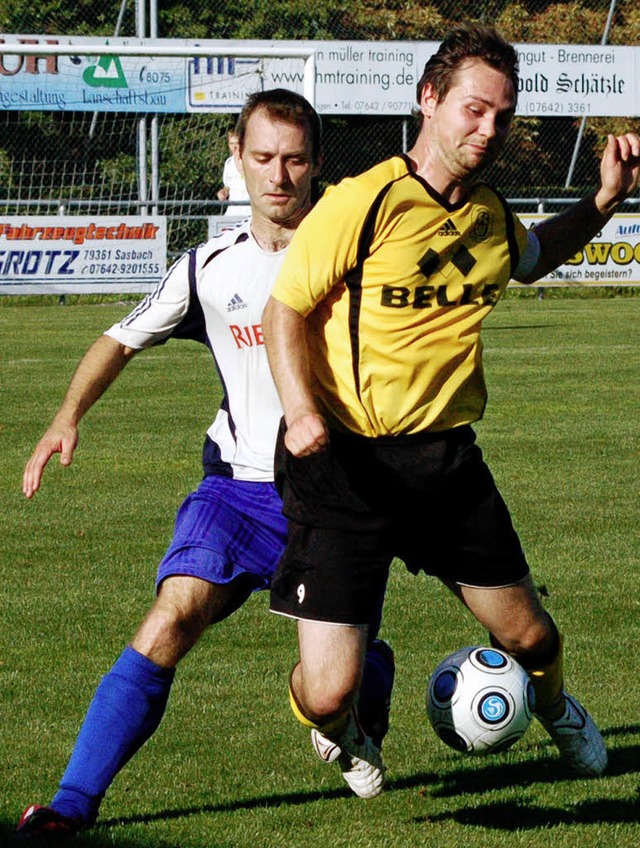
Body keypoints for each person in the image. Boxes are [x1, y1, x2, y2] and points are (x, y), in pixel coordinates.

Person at [262, 25, 640, 796]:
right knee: (327, 691)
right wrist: (300, 410)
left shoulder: (489, 215)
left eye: (502, 116)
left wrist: (602, 202)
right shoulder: (361, 203)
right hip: (342, 464)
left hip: (444, 466)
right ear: (428, 100)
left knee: (532, 636)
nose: (488, 130)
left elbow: (533, 259)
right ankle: (342, 732)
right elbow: (284, 311)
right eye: (474, 109)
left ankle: (559, 709)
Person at [14, 88, 395, 842]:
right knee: (169, 617)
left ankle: (357, 694)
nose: (278, 175)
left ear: (317, 163)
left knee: (336, 688)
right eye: (262, 157)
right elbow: (120, 338)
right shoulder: (207, 269)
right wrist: (66, 417)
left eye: (294, 159)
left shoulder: (357, 256)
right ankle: (69, 807)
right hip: (234, 491)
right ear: (237, 155)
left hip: (332, 501)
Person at [217, 128, 252, 217]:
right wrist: (224, 192)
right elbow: (227, 186)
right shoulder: (229, 163)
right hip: (232, 211)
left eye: (237, 143)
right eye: (231, 144)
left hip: (250, 211)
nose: (234, 147)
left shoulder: (252, 160)